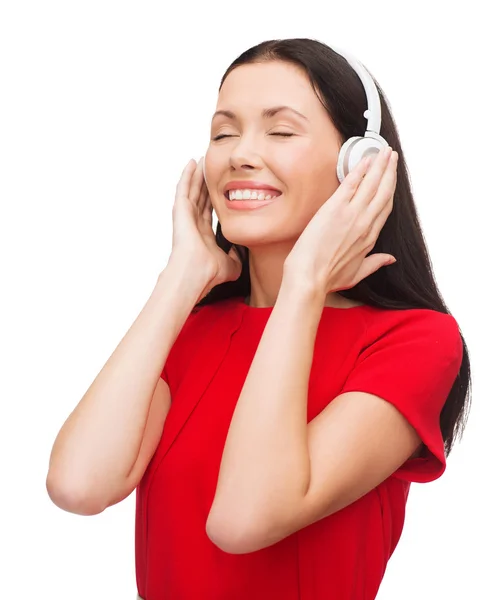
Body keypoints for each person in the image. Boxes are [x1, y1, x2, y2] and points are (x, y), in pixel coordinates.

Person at [46, 39, 471, 600]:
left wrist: (302, 287)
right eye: (224, 132)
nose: (240, 154)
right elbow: (78, 486)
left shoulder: (414, 342)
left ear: (360, 165)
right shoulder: (191, 330)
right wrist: (179, 280)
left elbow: (244, 519)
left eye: (280, 130)